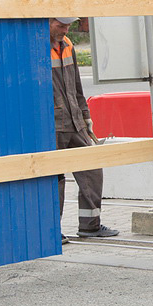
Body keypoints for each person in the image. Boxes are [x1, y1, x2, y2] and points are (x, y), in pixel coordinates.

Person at [50, 17, 119, 240]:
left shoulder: (68, 45)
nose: (66, 29)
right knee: (55, 178)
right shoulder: (36, 47)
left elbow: (77, 85)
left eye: (68, 25)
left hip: (75, 121)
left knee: (91, 170)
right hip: (53, 125)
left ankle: (90, 225)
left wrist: (85, 116)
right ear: (48, 21)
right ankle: (52, 231)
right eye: (61, 25)